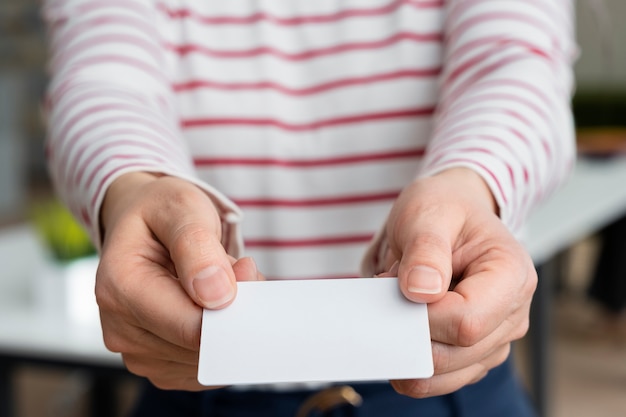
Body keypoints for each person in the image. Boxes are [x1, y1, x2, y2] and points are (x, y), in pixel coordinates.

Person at [42, 1, 577, 416]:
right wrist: (133, 186)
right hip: (193, 385)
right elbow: (101, 74)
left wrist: (471, 186)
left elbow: (516, 62)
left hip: (444, 382)